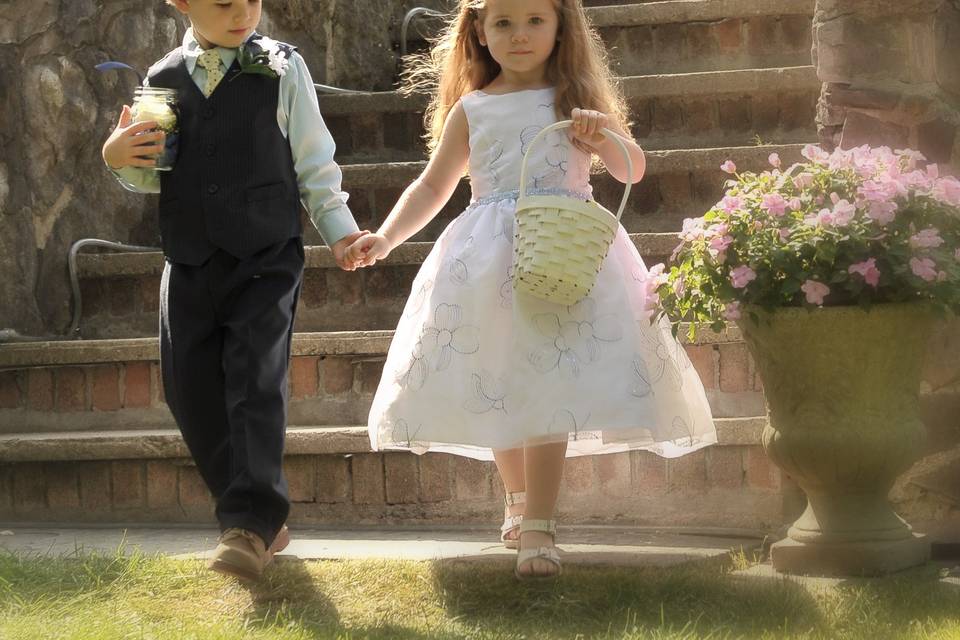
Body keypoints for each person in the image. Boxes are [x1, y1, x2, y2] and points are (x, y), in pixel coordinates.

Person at [346, 0, 717, 579]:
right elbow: (434, 185)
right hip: (488, 258)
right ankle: (518, 499)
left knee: (550, 380)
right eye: (504, 24)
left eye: (535, 21)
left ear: (560, 27)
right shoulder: (472, 108)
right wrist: (389, 237)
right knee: (501, 375)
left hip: (561, 252)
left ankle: (540, 522)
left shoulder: (574, 102)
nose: (520, 35)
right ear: (480, 33)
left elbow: (632, 170)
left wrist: (599, 135)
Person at [101, 0, 366, 581]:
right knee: (187, 388)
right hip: (191, 257)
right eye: (224, 2)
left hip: (266, 254)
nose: (243, 11)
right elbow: (150, 170)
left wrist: (341, 235)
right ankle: (255, 513)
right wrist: (116, 156)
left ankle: (248, 524)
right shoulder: (162, 78)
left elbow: (314, 162)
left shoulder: (282, 68)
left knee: (252, 379)